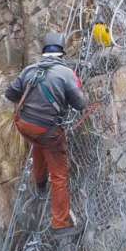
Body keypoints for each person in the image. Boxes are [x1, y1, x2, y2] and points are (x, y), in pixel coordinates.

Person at [5, 32, 87, 237]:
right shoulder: (66, 73)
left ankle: (40, 182)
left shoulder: (29, 70)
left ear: (44, 52)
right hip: (48, 130)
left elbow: (10, 94)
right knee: (59, 175)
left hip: (24, 125)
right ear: (62, 52)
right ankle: (61, 223)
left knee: (38, 142)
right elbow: (80, 104)